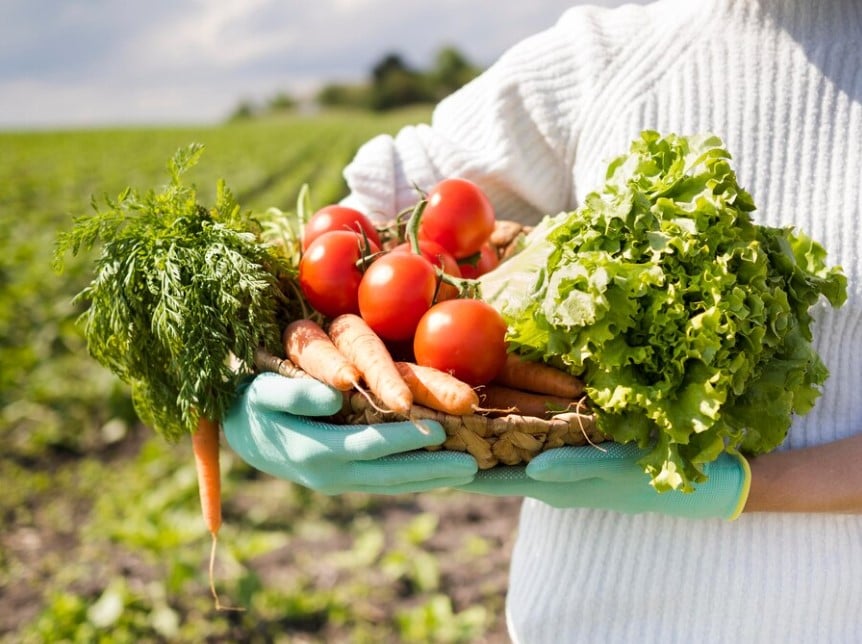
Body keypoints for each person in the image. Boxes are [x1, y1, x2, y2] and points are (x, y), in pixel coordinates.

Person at [224, 0, 862, 640]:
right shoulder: (602, 56)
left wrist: (740, 486)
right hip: (584, 620)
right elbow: (348, 233)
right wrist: (236, 379)